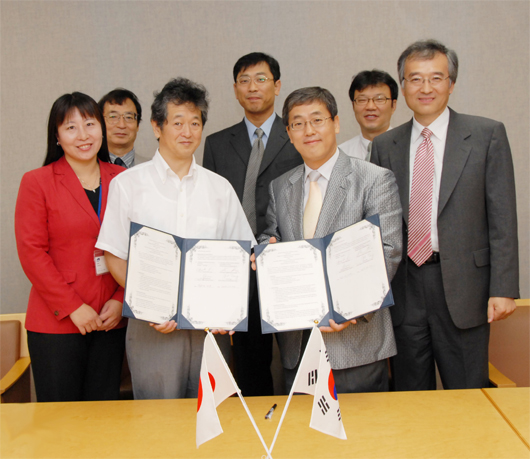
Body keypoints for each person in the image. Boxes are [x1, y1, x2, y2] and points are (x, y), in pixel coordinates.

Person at [371, 39, 519, 390]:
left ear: (451, 83)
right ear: (403, 86)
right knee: (410, 394)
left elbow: (503, 217)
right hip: (405, 287)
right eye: (415, 79)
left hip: (465, 287)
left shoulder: (486, 135)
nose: (425, 88)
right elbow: (375, 225)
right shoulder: (385, 145)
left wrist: (504, 288)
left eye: (435, 78)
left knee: (468, 390)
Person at [96, 77, 255, 399]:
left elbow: (241, 255)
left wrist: (228, 308)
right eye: (177, 122)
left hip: (211, 327)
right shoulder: (128, 184)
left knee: (212, 417)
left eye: (195, 123)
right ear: (157, 127)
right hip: (151, 325)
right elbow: (114, 254)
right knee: (158, 423)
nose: (187, 131)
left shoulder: (219, 188)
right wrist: (151, 305)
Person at [258, 86, 402, 393]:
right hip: (298, 346)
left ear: (335, 123)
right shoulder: (280, 186)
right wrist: (263, 249)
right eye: (298, 123)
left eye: (317, 120)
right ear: (289, 133)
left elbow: (387, 251)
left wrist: (347, 309)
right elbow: (274, 235)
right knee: (300, 439)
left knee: (362, 438)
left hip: (354, 345)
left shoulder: (373, 179)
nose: (308, 130)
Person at [14, 92, 126, 402]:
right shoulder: (37, 181)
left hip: (110, 320)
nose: (83, 135)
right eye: (71, 127)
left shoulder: (123, 179)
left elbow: (138, 247)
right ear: (57, 136)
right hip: (57, 322)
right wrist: (73, 307)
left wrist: (121, 300)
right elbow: (31, 252)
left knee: (104, 418)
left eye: (90, 124)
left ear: (101, 128)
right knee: (61, 424)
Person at [203, 52, 303, 396]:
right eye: (244, 81)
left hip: (288, 264)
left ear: (276, 85)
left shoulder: (297, 135)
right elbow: (211, 207)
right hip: (237, 269)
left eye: (261, 79)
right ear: (235, 90)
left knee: (298, 357)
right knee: (248, 364)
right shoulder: (217, 143)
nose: (252, 87)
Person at [339, 70, 398, 161]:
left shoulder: (409, 150)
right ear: (353, 106)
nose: (370, 107)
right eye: (362, 100)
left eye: (379, 99)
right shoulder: (341, 156)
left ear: (393, 105)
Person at [98, 88, 146, 168]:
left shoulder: (153, 169)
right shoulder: (88, 169)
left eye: (129, 117)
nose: (121, 125)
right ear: (100, 124)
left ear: (137, 125)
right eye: (113, 117)